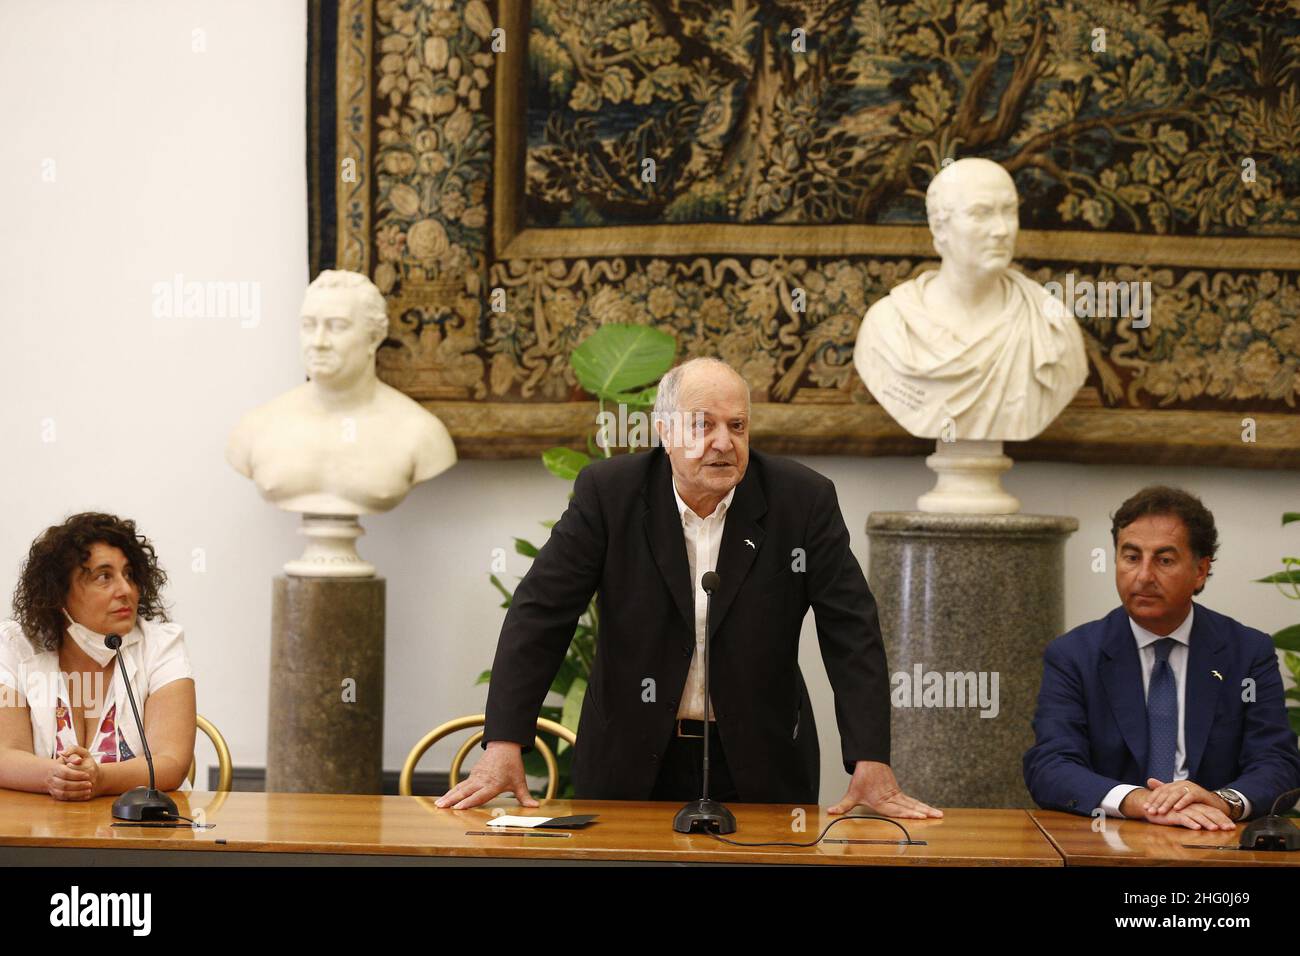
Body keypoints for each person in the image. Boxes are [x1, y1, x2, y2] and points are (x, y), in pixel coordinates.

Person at [438, 357, 940, 818]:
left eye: (737, 426)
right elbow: (540, 613)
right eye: (704, 425)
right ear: (664, 431)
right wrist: (504, 741)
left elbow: (851, 630)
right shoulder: (609, 496)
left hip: (761, 764)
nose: (724, 441)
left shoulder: (802, 501)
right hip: (630, 760)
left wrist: (870, 755)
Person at [1024, 486, 1300, 828]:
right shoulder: (1075, 655)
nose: (1143, 576)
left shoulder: (1246, 653)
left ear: (1200, 571)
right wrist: (1140, 801)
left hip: (1213, 837)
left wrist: (1219, 801)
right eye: (1131, 557)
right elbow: (1051, 765)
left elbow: (1277, 762)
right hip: (1107, 839)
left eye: (1164, 560)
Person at [853, 157, 1087, 442]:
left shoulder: (1051, 325)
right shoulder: (889, 327)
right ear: (940, 227)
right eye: (981, 213)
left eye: (1009, 211)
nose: (1002, 230)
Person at [226, 269, 456, 516]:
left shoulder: (420, 433)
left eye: (337, 326)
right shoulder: (256, 428)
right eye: (308, 325)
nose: (318, 342)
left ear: (374, 338)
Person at [0, 513, 196, 801]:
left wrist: (100, 779)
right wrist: (52, 776)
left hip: (141, 833)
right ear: (59, 593)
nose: (126, 590)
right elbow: (5, 754)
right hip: (42, 831)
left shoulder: (161, 644)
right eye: (104, 577)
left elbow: (171, 762)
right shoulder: (17, 644)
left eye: (128, 575)